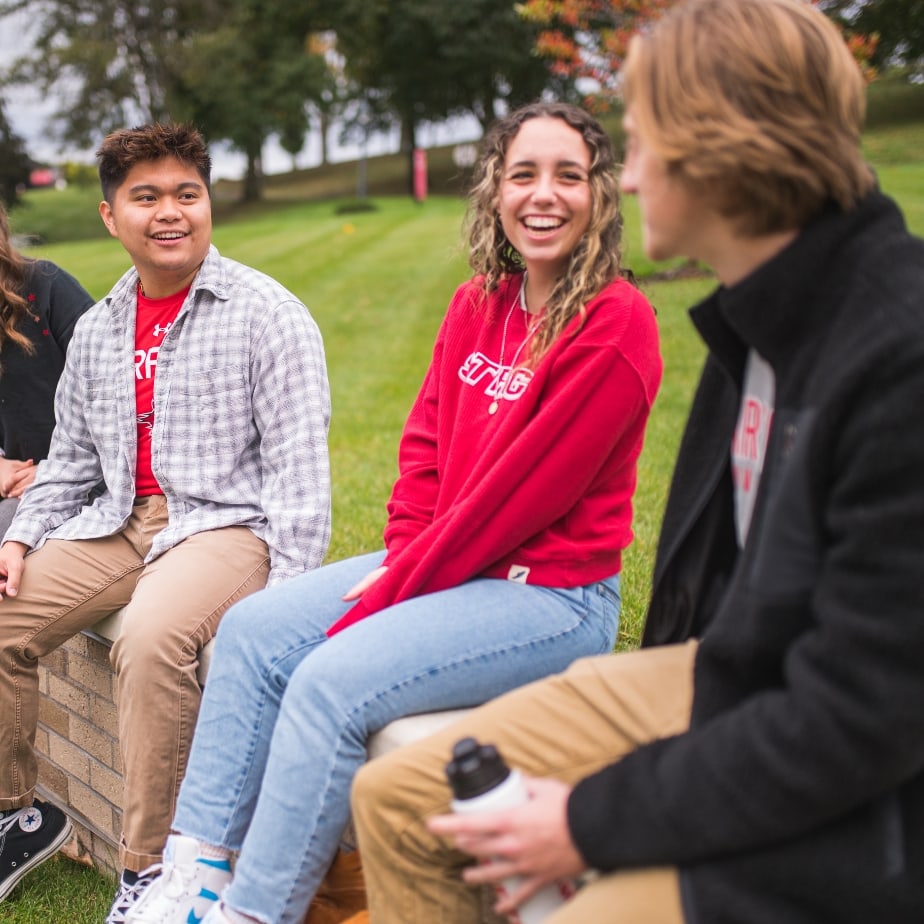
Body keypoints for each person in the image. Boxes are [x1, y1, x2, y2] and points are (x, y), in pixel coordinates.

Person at [347, 1, 924, 922]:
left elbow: (864, 715)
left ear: (720, 149)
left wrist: (592, 820)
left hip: (857, 788)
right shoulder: (766, 318)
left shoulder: (896, 351)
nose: (633, 177)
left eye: (642, 146)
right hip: (732, 677)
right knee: (399, 801)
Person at [123, 101, 662, 924]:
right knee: (253, 631)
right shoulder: (479, 303)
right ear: (495, 190)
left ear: (598, 196)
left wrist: (394, 588)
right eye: (523, 174)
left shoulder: (618, 323)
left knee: (330, 682)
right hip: (448, 562)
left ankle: (253, 912)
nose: (543, 195)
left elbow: (515, 504)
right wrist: (401, 557)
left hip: (549, 593)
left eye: (568, 175)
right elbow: (424, 453)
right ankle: (189, 881)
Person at [0, 123, 331, 918]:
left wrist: (286, 607)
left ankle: (153, 873)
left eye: (187, 194)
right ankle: (15, 812)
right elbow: (75, 463)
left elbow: (300, 486)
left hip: (226, 525)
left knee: (152, 638)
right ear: (113, 217)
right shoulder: (102, 327)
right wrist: (17, 536)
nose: (170, 212)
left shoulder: (267, 314)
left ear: (208, 204)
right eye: (146, 197)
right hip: (123, 520)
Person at [0, 202, 94, 537]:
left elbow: (120, 394)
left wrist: (57, 472)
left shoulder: (45, 285)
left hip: (79, 484)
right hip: (12, 484)